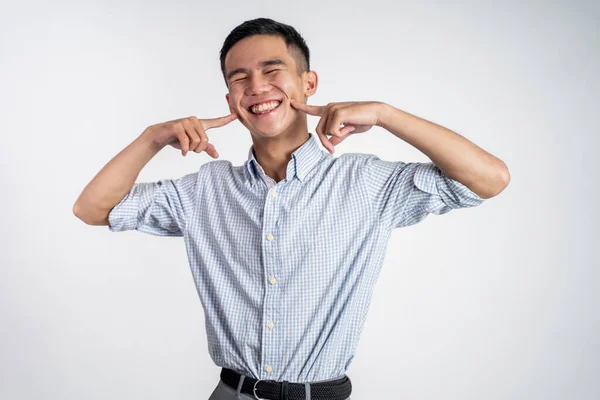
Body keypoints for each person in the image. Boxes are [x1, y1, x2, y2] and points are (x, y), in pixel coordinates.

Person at [73, 17, 510, 400]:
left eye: (272, 70)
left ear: (309, 83)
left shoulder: (365, 183)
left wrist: (385, 114)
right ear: (230, 101)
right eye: (239, 78)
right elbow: (91, 208)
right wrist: (153, 137)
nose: (257, 87)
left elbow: (489, 179)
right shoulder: (203, 191)